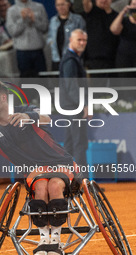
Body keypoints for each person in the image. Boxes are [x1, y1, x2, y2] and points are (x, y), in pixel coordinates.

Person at [0, 80, 82, 255]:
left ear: (3, 97)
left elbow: (46, 117)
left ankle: (55, 241)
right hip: (37, 173)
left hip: (62, 164)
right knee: (40, 185)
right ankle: (44, 240)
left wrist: (28, 117)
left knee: (54, 185)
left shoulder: (25, 110)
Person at [59, 29, 90, 168]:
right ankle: (82, 183)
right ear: (70, 40)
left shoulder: (72, 58)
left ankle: (69, 182)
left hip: (69, 106)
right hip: (73, 107)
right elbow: (71, 86)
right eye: (79, 40)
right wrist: (84, 104)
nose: (82, 43)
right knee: (79, 143)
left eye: (84, 40)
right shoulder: (70, 60)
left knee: (71, 144)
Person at [6, 0, 49, 77]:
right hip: (22, 51)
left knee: (42, 79)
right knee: (25, 81)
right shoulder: (11, 10)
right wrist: (22, 19)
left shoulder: (39, 7)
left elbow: (45, 28)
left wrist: (34, 20)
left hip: (38, 50)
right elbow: (13, 32)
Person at [82, 0, 120, 74]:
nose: (103, 0)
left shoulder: (116, 15)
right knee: (98, 85)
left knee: (115, 85)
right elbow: (85, 2)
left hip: (114, 59)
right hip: (95, 60)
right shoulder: (91, 12)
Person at [47, 0, 86, 71]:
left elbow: (83, 38)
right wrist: (51, 43)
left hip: (72, 58)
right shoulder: (53, 20)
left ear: (68, 4)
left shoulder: (78, 19)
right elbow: (49, 36)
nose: (60, 7)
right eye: (58, 5)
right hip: (56, 58)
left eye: (62, 4)